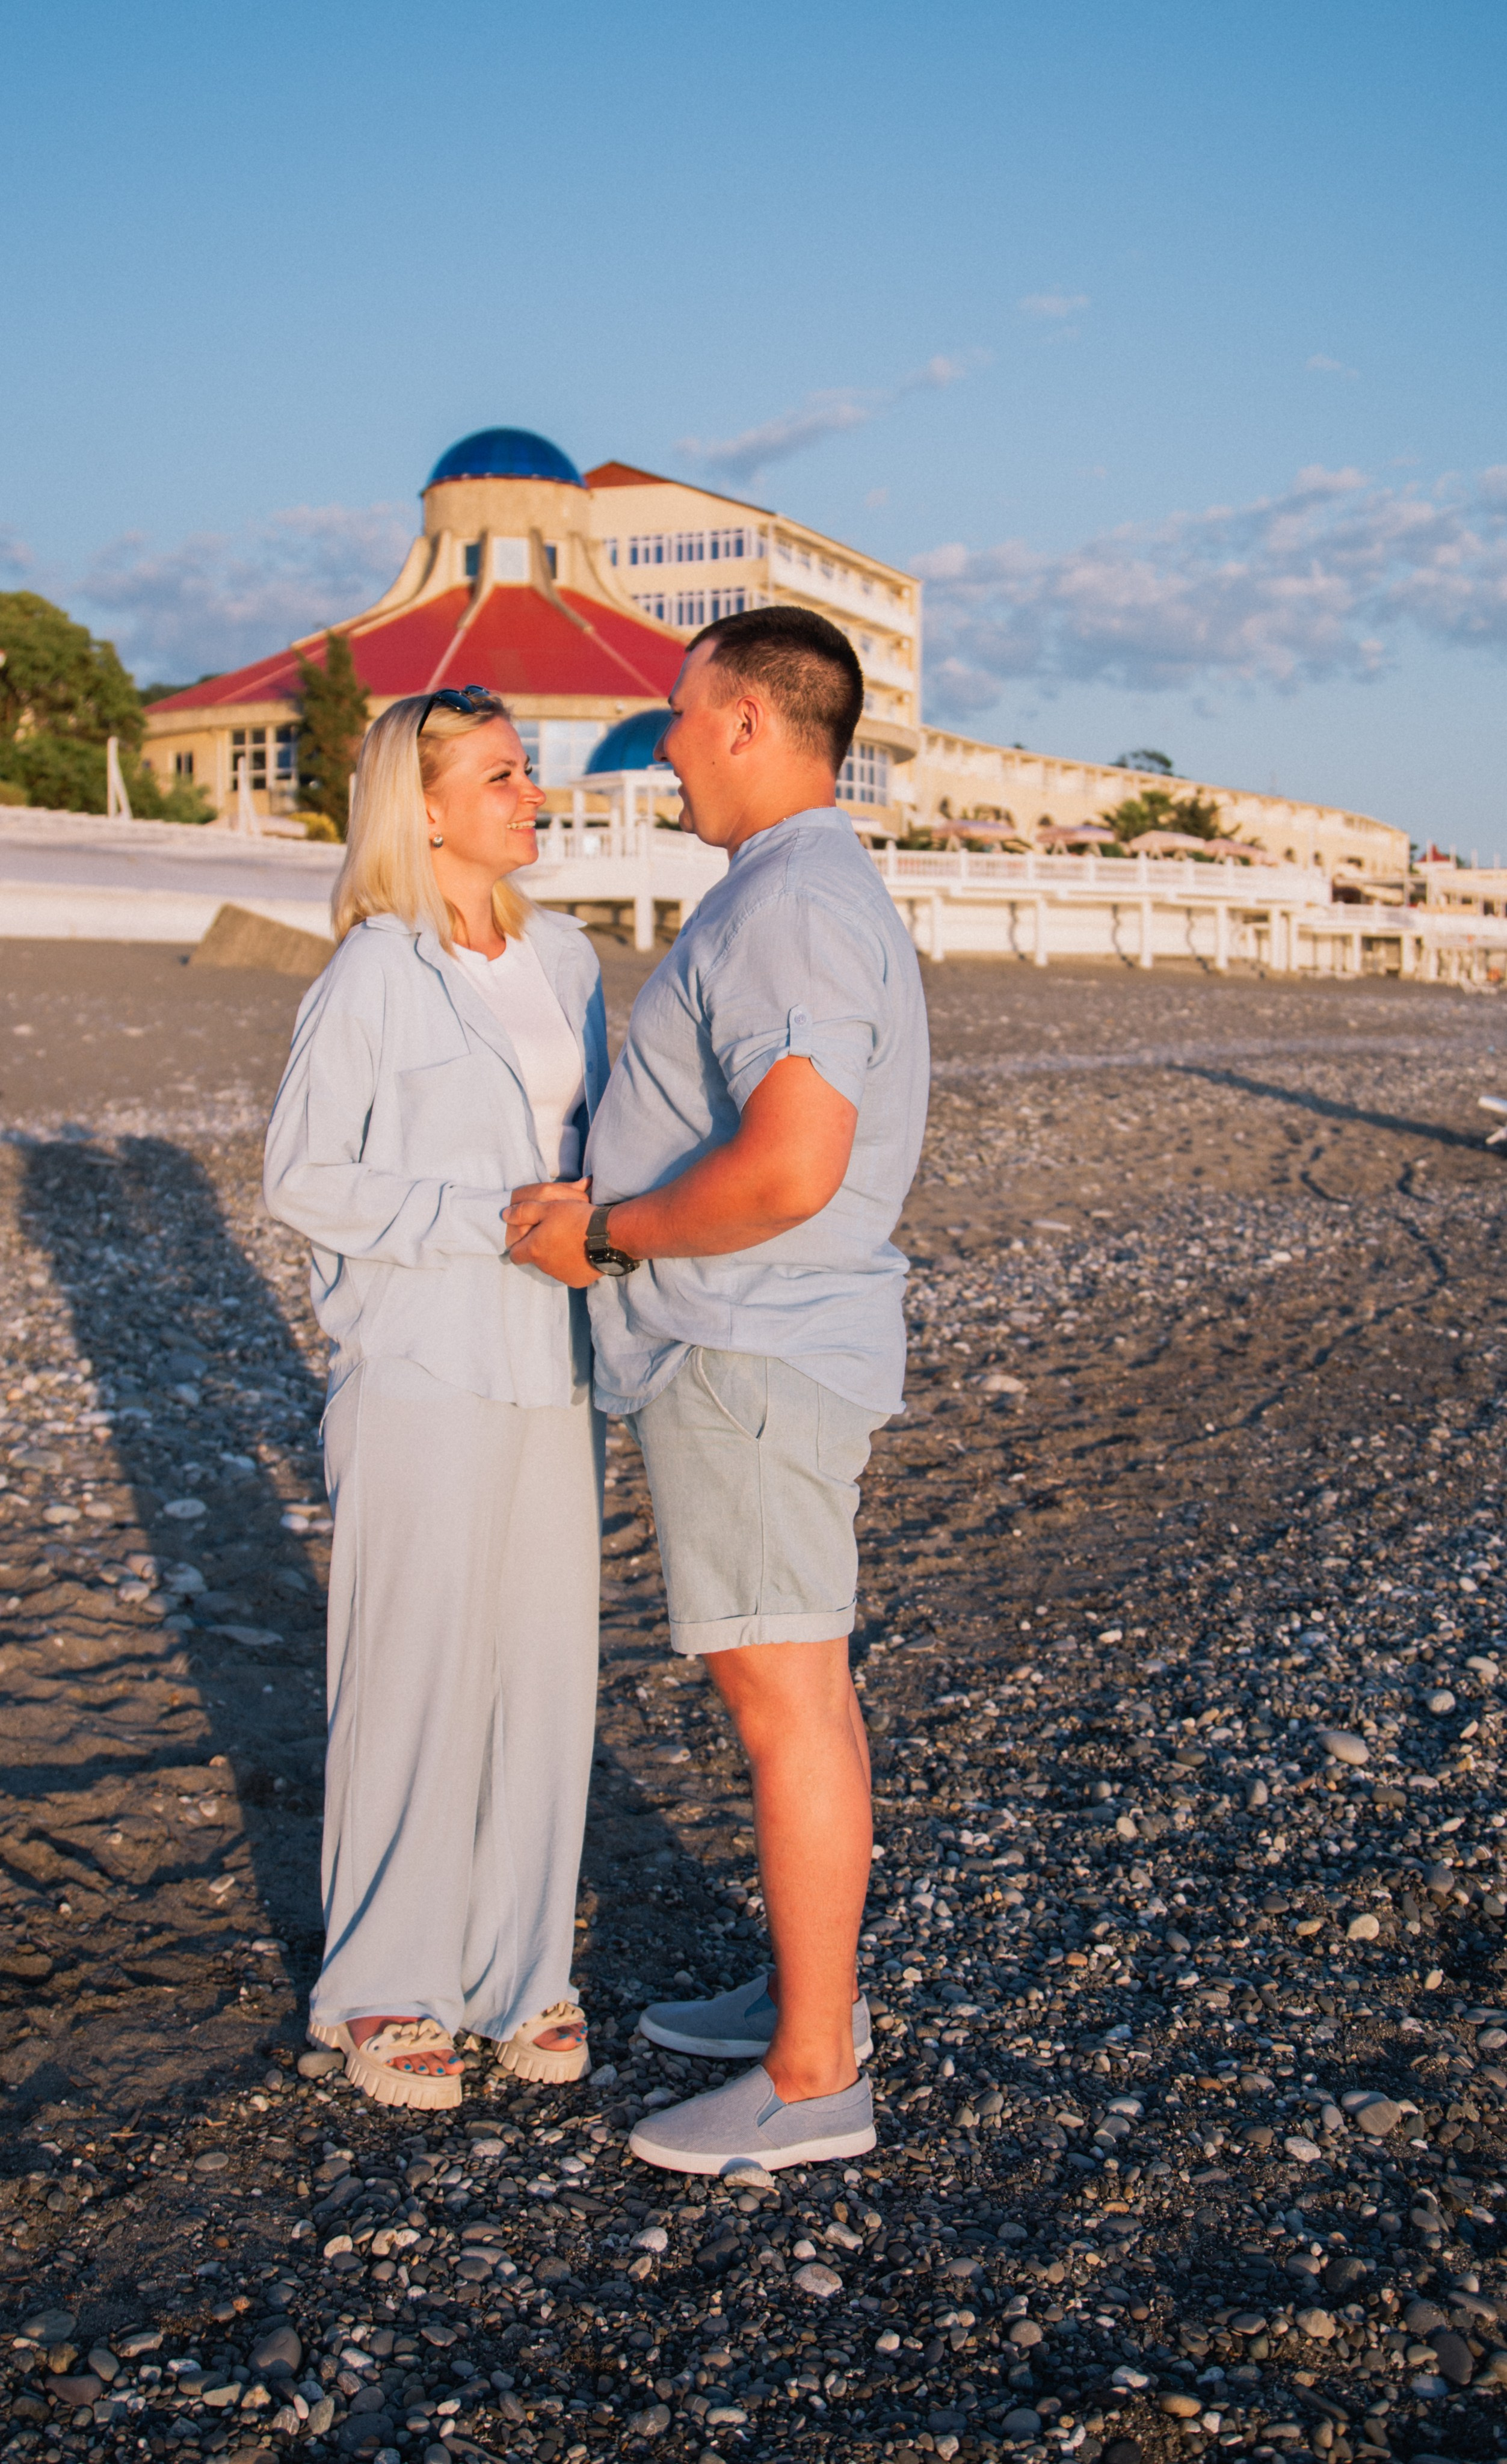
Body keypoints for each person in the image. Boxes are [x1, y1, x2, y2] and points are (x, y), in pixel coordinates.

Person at [506, 606, 929, 2172]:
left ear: (750, 722)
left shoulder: (791, 903)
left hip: (747, 1347)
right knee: (793, 1687)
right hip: (758, 1343)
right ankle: (808, 2001)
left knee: (786, 1701)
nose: (668, 745)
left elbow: (793, 1162)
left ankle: (815, 2075)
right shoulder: (801, 889)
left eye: (683, 717)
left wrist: (605, 1234)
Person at [264, 684, 606, 2111]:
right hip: (417, 1362)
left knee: (541, 1671)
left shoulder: (574, 959)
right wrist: (492, 1212)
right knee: (408, 1671)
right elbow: (302, 1175)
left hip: (554, 1363)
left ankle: (522, 1973)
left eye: (527, 773)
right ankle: (381, 1990)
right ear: (423, 804)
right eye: (502, 776)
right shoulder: (369, 974)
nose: (533, 797)